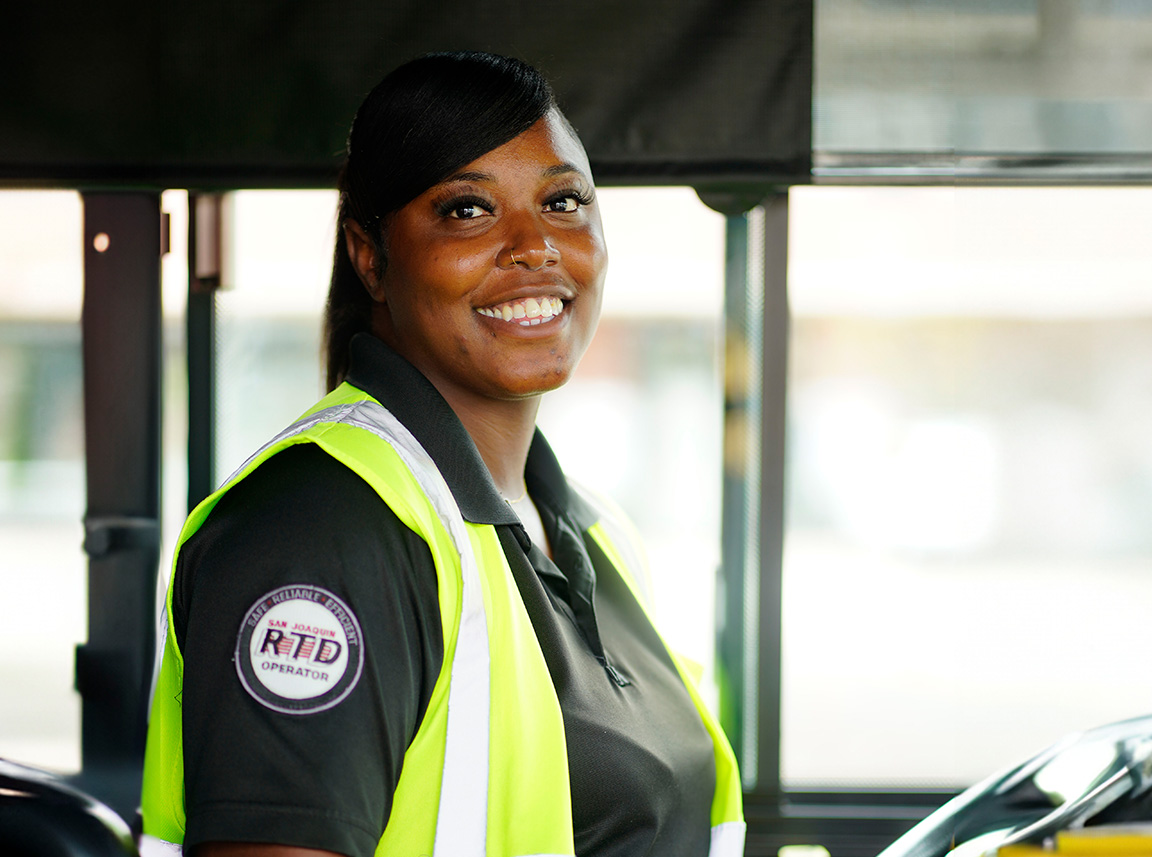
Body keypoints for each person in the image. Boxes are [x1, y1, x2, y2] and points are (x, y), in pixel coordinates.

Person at [139, 51, 744, 857]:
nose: (535, 246)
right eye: (467, 211)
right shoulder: (323, 532)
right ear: (369, 256)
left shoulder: (597, 533)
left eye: (563, 200)